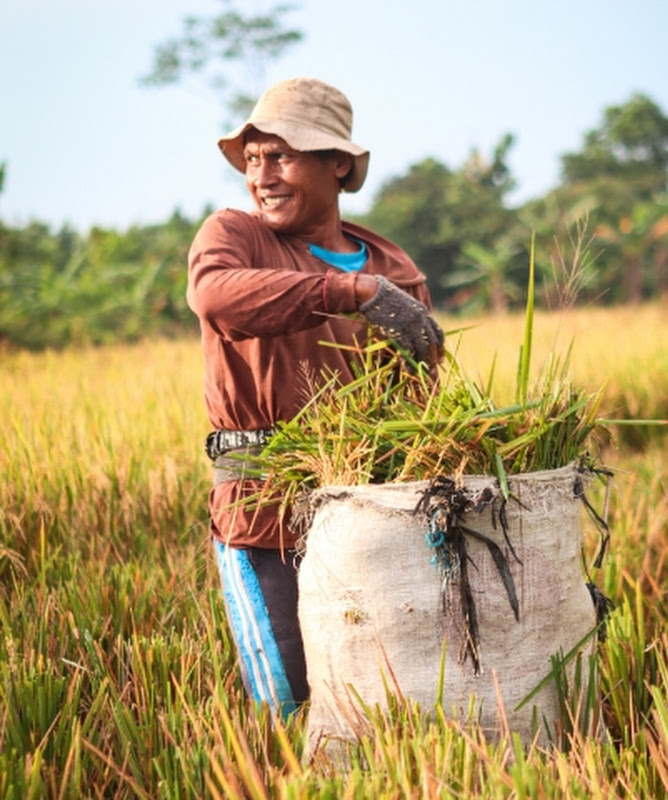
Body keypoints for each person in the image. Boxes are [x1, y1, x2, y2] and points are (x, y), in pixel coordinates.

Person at [186, 77, 444, 720]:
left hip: (375, 516)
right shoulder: (236, 236)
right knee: (292, 703)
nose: (262, 175)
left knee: (382, 701)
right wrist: (349, 293)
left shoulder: (395, 267)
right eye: (253, 159)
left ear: (337, 164)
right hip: (263, 511)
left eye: (281, 156)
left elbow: (422, 397)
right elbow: (217, 297)